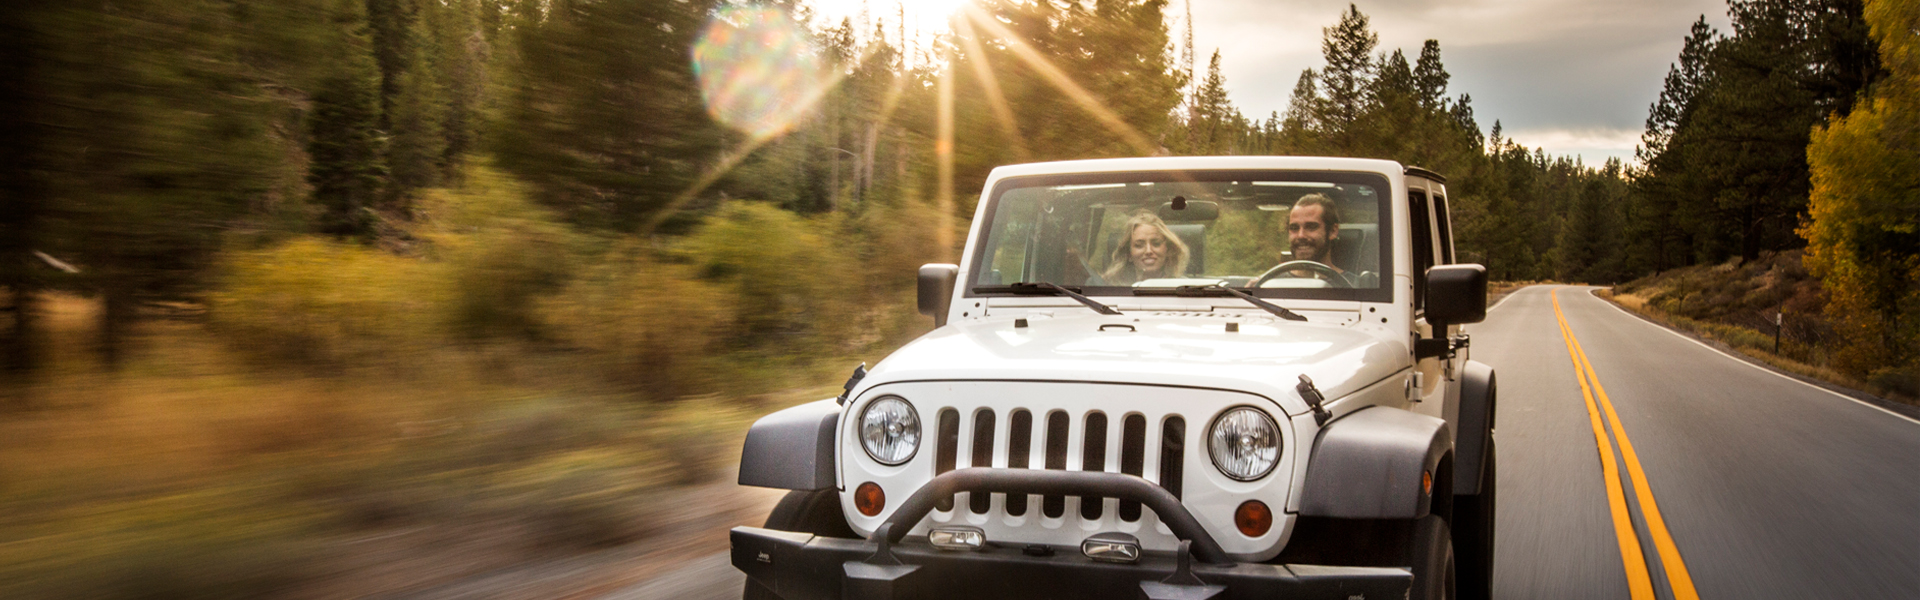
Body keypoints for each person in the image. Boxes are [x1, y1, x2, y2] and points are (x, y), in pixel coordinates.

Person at [1102, 209, 1190, 285]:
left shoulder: (1185, 287)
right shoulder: (1109, 289)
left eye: (1156, 244)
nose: (1148, 251)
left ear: (1168, 249)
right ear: (1128, 253)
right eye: (1139, 245)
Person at [1280, 193, 1348, 282]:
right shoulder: (1272, 284)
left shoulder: (1355, 285)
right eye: (1294, 228)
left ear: (1332, 231)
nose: (1301, 235)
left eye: (1311, 227)